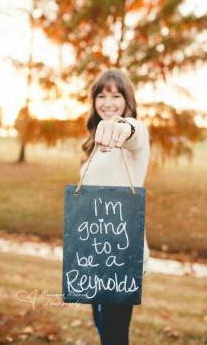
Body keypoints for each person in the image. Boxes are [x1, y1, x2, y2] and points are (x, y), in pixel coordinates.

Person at [80, 68, 151, 345]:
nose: (107, 102)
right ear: (94, 100)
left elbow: (135, 132)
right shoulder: (94, 144)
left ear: (127, 101)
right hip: (93, 250)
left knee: (115, 333)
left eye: (116, 95)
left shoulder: (133, 137)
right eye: (101, 95)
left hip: (122, 251)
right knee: (100, 322)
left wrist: (122, 125)